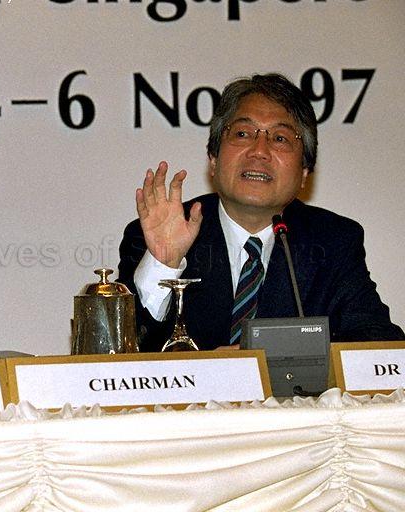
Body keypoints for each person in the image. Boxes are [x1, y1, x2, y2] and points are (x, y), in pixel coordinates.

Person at [118, 73, 403, 351]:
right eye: (243, 133)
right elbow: (119, 349)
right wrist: (164, 264)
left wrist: (265, 356)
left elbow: (377, 343)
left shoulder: (334, 241)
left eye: (280, 139)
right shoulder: (160, 233)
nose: (259, 150)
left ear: (304, 172)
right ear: (213, 160)